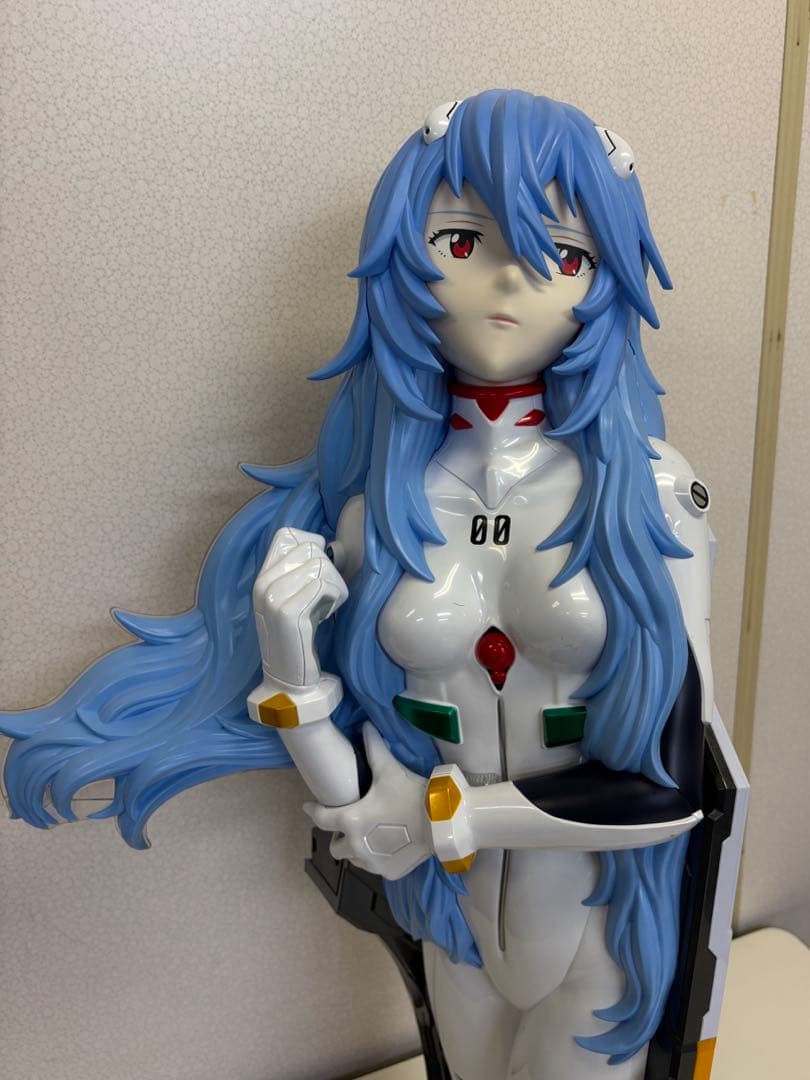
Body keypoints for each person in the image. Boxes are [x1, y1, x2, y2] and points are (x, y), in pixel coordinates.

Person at [1, 90, 720, 1079]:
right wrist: (294, 672)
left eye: (563, 252)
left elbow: (678, 785)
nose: (511, 276)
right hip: (447, 916)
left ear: (604, 283)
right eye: (463, 241)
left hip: (597, 918)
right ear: (400, 260)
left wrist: (443, 815)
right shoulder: (368, 507)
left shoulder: (653, 497)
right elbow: (361, 805)